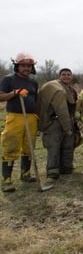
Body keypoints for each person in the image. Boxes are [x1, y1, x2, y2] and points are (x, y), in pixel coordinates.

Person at [0, 52, 38, 192]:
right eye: (23, 65)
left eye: (29, 66)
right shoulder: (9, 79)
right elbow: (1, 97)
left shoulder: (33, 82)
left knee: (29, 147)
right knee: (11, 147)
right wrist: (14, 93)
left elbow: (36, 99)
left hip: (31, 117)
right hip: (15, 117)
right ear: (17, 66)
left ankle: (26, 174)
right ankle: (7, 180)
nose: (26, 68)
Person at [37, 68, 78, 183]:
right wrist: (67, 127)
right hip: (54, 122)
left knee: (68, 145)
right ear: (59, 76)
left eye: (68, 75)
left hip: (69, 120)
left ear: (71, 76)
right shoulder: (56, 89)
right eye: (63, 74)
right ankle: (53, 172)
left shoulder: (72, 90)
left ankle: (66, 168)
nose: (66, 77)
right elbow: (61, 110)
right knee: (54, 146)